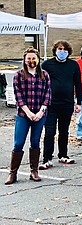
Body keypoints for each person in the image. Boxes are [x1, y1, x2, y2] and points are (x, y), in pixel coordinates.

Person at [6, 48, 51, 184]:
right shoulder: (18, 75)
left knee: (35, 142)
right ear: (24, 60)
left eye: (34, 58)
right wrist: (28, 112)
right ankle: (13, 173)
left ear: (38, 60)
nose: (31, 61)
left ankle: (34, 171)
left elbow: (48, 95)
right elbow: (18, 97)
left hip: (40, 114)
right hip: (23, 115)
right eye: (28, 58)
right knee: (18, 143)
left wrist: (41, 112)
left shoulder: (44, 75)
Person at [40, 40, 82, 168]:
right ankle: (47, 158)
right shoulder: (47, 65)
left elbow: (78, 84)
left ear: (68, 52)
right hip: (51, 104)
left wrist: (79, 102)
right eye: (59, 49)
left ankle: (63, 155)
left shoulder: (73, 65)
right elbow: (41, 83)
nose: (62, 52)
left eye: (64, 50)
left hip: (67, 103)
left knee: (64, 131)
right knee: (50, 131)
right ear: (55, 51)